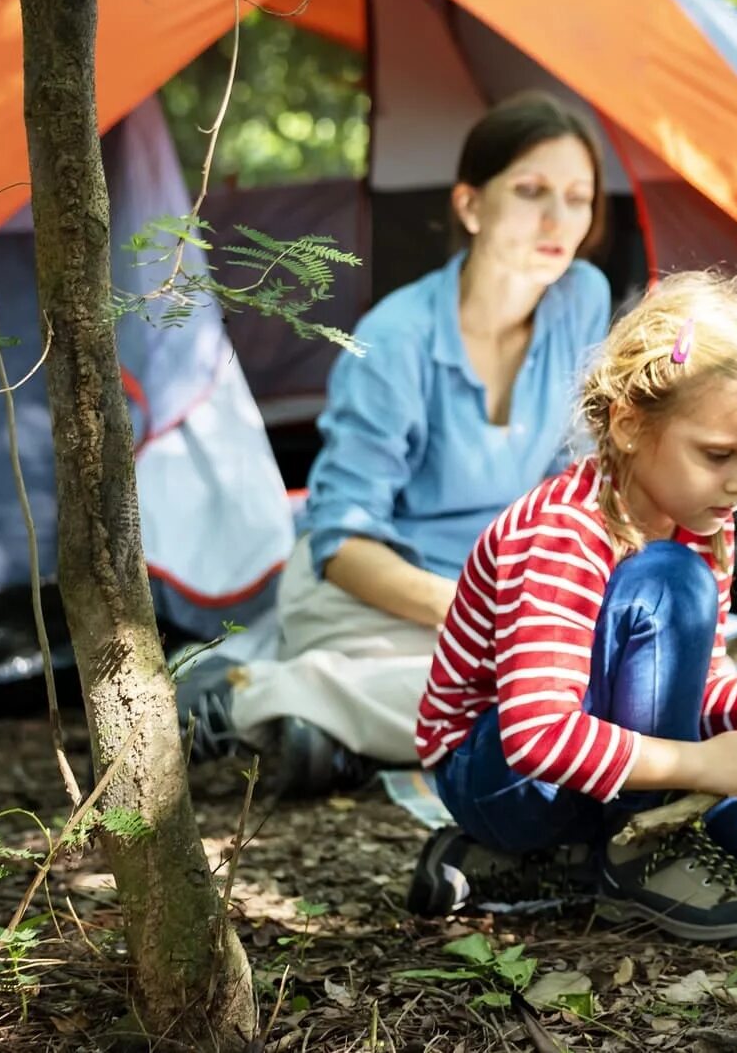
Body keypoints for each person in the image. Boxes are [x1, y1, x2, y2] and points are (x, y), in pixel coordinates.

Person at [404, 271, 737, 938]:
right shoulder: (564, 532)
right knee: (668, 578)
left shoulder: (703, 521)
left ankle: (546, 864)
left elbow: (690, 696)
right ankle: (630, 852)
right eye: (718, 453)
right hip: (501, 775)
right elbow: (536, 737)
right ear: (628, 424)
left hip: (625, 768)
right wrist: (702, 765)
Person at [184, 92, 613, 795]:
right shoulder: (394, 339)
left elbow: (576, 476)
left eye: (578, 198)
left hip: (491, 591)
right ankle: (254, 700)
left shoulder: (582, 297)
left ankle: (315, 714)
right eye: (531, 191)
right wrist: (489, 614)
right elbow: (343, 545)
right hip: (369, 592)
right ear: (471, 206)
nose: (557, 220)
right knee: (542, 700)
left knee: (583, 679)